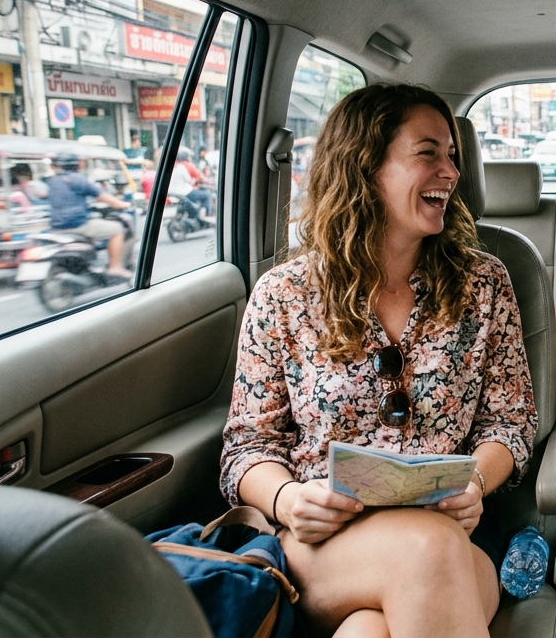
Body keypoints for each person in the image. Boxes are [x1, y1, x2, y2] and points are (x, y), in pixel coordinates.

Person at [220, 82, 537, 637]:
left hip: (452, 541)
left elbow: (510, 423)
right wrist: (289, 499)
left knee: (368, 631)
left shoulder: (484, 283)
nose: (451, 172)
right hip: (324, 550)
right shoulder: (283, 295)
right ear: (365, 166)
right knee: (426, 550)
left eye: (453, 156)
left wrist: (476, 486)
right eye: (428, 153)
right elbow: (248, 446)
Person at [44, 153, 132, 277]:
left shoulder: (52, 181)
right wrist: (122, 204)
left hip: (57, 227)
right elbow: (103, 197)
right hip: (77, 224)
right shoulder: (78, 179)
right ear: (76, 165)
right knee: (117, 229)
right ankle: (115, 267)